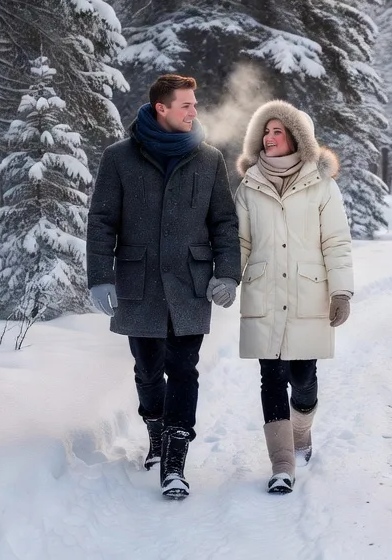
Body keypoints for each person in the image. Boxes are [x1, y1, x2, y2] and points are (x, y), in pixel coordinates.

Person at [86, 74, 240, 500]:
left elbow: (224, 223)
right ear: (162, 108)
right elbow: (102, 222)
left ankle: (174, 463)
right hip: (139, 283)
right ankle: (155, 430)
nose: (194, 111)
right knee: (148, 369)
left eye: (195, 104)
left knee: (184, 368)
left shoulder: (208, 159)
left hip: (191, 283)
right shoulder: (119, 157)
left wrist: (227, 273)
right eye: (186, 104)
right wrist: (100, 277)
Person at [234, 100, 354, 494]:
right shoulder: (250, 185)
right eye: (265, 132)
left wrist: (341, 291)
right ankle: (282, 464)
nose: (269, 138)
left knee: (303, 378)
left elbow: (336, 241)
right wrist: (227, 278)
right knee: (271, 377)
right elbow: (240, 242)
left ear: (297, 138)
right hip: (265, 293)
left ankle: (301, 428)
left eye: (277, 131)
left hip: (307, 294)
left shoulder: (322, 185)